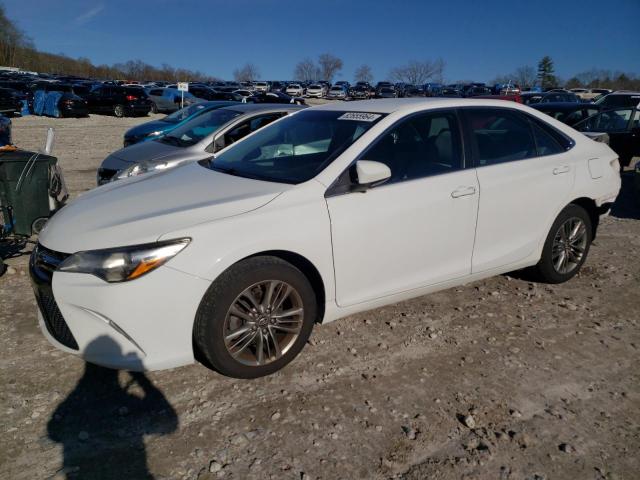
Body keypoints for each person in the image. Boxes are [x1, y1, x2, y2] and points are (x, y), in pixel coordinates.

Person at [47, 336, 178, 479]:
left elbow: (54, 432)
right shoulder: (130, 405)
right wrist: (143, 380)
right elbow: (169, 423)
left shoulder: (73, 404)